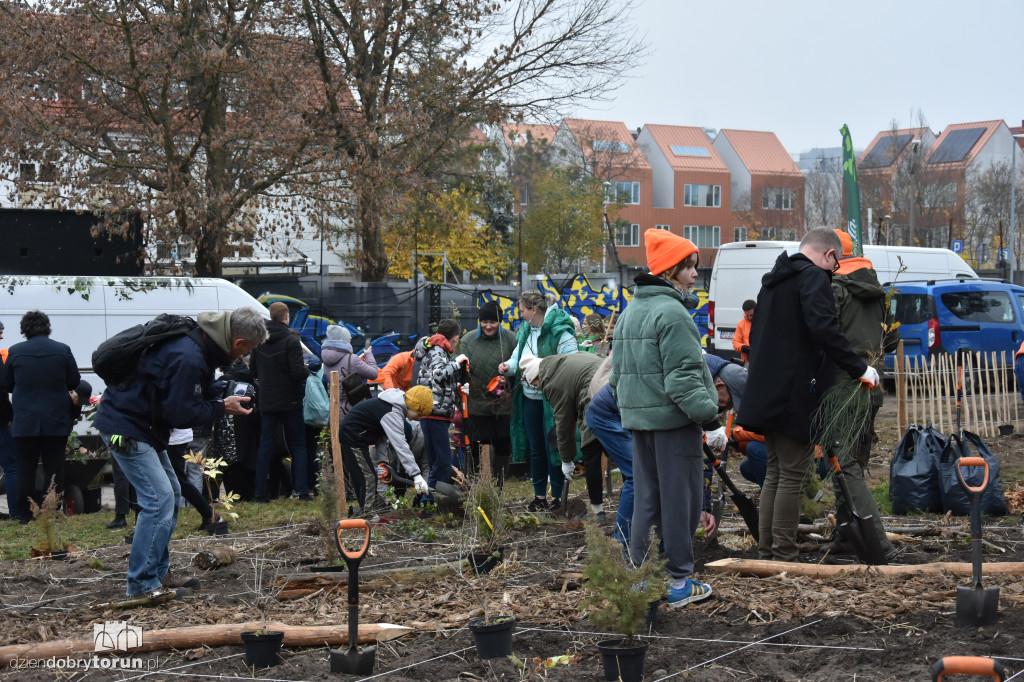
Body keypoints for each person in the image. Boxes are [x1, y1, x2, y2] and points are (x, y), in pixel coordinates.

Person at [95, 307, 266, 600]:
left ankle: (158, 572)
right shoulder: (190, 356)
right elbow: (179, 412)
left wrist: (218, 389)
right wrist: (221, 406)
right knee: (158, 499)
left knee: (171, 493)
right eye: (245, 351)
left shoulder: (197, 341)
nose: (240, 358)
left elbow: (179, 389)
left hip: (141, 424)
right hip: (127, 427)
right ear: (237, 343)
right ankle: (141, 584)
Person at [738, 227, 878, 563]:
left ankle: (768, 549)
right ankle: (783, 552)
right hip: (792, 393)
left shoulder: (773, 280)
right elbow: (824, 327)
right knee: (792, 474)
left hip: (765, 390)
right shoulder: (813, 277)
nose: (834, 272)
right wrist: (859, 367)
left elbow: (760, 337)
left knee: (775, 470)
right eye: (836, 265)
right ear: (829, 255)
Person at [610, 230, 719, 608]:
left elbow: (616, 376)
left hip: (640, 424)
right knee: (680, 501)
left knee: (647, 499)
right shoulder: (673, 313)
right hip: (675, 425)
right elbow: (684, 380)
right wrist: (710, 421)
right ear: (671, 271)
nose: (694, 274)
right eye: (689, 267)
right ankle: (678, 582)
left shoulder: (631, 313)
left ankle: (641, 579)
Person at [822, 229, 899, 558]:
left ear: (833, 254)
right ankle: (846, 536)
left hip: (842, 386)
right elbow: (892, 339)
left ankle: (876, 541)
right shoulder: (880, 291)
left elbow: (825, 334)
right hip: (872, 386)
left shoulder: (835, 288)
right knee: (845, 459)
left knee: (844, 461)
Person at [499, 292, 578, 512]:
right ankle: (539, 497)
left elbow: (571, 364)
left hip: (552, 400)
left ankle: (557, 499)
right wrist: (508, 366)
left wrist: (544, 373)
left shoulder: (560, 331)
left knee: (554, 447)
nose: (520, 315)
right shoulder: (525, 331)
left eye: (522, 311)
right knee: (536, 449)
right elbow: (518, 358)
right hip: (529, 399)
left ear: (534, 310)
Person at [2, 311, 80, 523]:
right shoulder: (62, 350)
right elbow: (74, 381)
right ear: (47, 326)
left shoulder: (15, 351)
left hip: (25, 420)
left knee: (25, 468)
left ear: (24, 329)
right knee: (54, 467)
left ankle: (26, 515)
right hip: (56, 419)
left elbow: (6, 384)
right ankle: (51, 512)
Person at [526, 351, 607, 518]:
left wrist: (566, 459)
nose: (538, 388)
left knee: (590, 450)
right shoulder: (561, 364)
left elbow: (564, 424)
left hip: (594, 395)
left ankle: (598, 511)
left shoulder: (553, 382)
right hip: (612, 385)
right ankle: (632, 500)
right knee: (619, 448)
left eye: (535, 385)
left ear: (537, 377)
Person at [339, 385, 434, 512]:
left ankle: (365, 512)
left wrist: (383, 462)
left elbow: (382, 437)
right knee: (368, 478)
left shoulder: (394, 407)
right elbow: (400, 445)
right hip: (353, 436)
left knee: (365, 477)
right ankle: (368, 516)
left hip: (358, 436)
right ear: (414, 405)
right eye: (420, 414)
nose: (419, 418)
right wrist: (416, 475)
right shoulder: (393, 412)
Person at [251, 302, 310, 502]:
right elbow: (297, 373)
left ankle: (260, 494)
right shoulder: (291, 342)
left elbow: (253, 372)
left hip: (267, 402)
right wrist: (307, 368)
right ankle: (301, 492)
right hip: (290, 402)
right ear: (286, 317)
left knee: (264, 446)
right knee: (298, 446)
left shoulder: (259, 341)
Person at [458, 302, 516, 486]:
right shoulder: (467, 341)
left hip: (502, 405)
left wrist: (509, 380)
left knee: (502, 445)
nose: (488, 326)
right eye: (484, 322)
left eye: (493, 322)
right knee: (474, 445)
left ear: (500, 322)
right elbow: (457, 366)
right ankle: (474, 484)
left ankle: (499, 484)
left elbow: (520, 365)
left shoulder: (510, 339)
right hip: (475, 404)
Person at [416, 319, 466, 496]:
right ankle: (427, 498)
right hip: (436, 413)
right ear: (455, 338)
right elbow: (439, 375)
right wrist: (458, 362)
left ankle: (433, 502)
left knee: (435, 460)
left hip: (432, 413)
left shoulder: (435, 350)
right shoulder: (438, 351)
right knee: (444, 461)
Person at [166, 428, 220, 531]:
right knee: (182, 478)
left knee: (178, 480)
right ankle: (208, 513)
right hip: (176, 436)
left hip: (174, 438)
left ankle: (209, 514)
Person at [321, 324, 378, 419]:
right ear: (346, 341)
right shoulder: (352, 359)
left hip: (333, 410)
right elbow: (373, 374)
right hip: (351, 411)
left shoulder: (325, 359)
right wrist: (368, 355)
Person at [0, 319, 18, 521]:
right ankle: (15, 512)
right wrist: (10, 417)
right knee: (11, 467)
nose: (2, 337)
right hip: (1, 423)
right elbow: (2, 391)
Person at [733, 299, 755, 364]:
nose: (750, 318)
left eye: (751, 315)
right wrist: (743, 347)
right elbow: (736, 342)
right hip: (747, 362)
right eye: (747, 315)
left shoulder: (763, 322)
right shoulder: (741, 324)